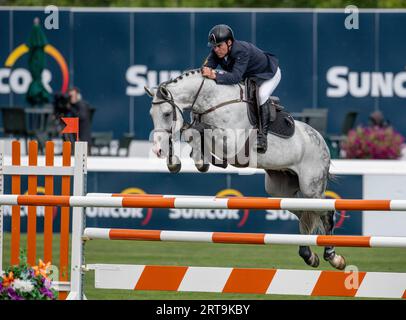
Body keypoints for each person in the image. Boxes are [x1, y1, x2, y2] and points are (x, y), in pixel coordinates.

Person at [202, 24, 281, 153]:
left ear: (229, 43)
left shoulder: (241, 50)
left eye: (219, 46)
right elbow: (205, 69)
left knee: (261, 95)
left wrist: (214, 74)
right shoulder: (216, 51)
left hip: (268, 74)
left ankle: (262, 137)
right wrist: (205, 70)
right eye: (214, 47)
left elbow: (235, 77)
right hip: (250, 76)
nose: (216, 50)